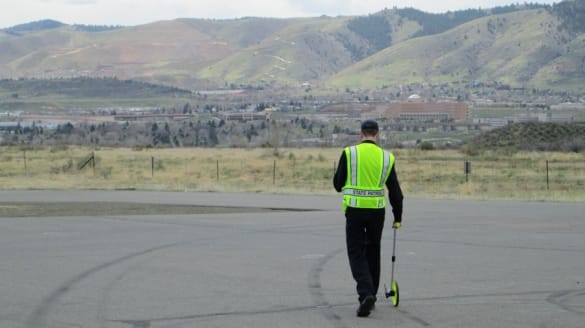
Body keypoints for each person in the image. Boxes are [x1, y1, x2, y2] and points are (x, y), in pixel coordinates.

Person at [333, 119, 403, 317]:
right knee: (373, 250)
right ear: (377, 134)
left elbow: (338, 185)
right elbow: (395, 191)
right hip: (376, 212)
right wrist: (398, 216)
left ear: (361, 134)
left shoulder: (349, 153)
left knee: (356, 252)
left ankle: (366, 293)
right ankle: (370, 294)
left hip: (354, 210)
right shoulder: (387, 157)